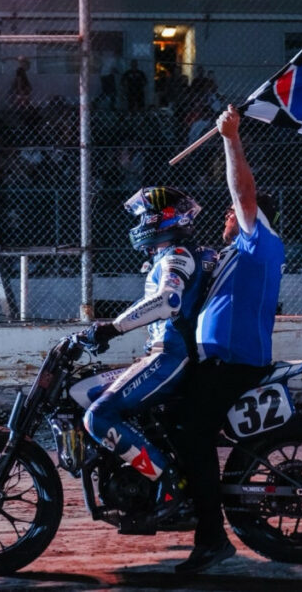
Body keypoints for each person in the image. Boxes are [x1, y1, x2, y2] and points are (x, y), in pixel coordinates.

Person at [173, 104, 285, 574]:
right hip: (210, 361)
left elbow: (242, 192)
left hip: (234, 363)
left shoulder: (260, 243)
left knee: (190, 430)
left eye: (235, 214)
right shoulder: (227, 257)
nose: (227, 216)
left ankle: (211, 536)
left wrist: (230, 138)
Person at [77, 185, 216, 524]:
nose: (138, 223)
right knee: (93, 392)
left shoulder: (177, 254)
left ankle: (169, 481)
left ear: (159, 219)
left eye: (142, 216)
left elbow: (169, 299)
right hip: (163, 354)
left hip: (171, 355)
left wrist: (113, 327)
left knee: (98, 416)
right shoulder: (172, 254)